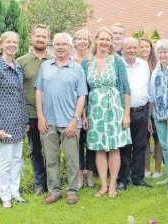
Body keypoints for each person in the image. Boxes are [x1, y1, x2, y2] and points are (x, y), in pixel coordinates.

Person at [36, 33, 87, 205]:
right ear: (53, 46)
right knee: (51, 159)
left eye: (64, 44)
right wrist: (40, 117)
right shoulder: (45, 67)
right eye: (57, 44)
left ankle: (72, 191)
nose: (60, 47)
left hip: (70, 123)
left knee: (72, 159)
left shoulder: (77, 69)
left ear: (70, 47)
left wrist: (75, 119)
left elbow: (81, 96)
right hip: (48, 122)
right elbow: (39, 92)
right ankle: (54, 192)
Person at [81, 27, 132, 198]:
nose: (104, 42)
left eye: (107, 39)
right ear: (96, 40)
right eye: (101, 39)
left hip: (114, 107)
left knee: (114, 147)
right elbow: (83, 92)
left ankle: (113, 185)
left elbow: (125, 89)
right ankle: (103, 185)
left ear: (111, 43)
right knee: (99, 148)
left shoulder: (117, 61)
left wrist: (126, 114)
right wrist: (83, 115)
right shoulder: (86, 63)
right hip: (95, 109)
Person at [0, 31, 29, 208]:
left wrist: (25, 120)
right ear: (1, 45)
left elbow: (21, 95)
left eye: (15, 42)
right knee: (5, 161)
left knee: (17, 159)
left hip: (18, 121)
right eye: (8, 42)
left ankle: (15, 191)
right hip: (3, 122)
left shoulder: (18, 67)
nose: (12, 45)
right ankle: (5, 196)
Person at [16, 24, 53, 196]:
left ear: (48, 39)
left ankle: (54, 181)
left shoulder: (54, 61)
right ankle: (40, 183)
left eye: (44, 36)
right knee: (35, 149)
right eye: (37, 36)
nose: (40, 39)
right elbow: (16, 90)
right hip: (30, 114)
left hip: (52, 113)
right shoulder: (21, 62)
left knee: (52, 149)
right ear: (32, 37)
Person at [117, 38, 153, 190]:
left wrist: (149, 115)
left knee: (140, 145)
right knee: (124, 146)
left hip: (142, 110)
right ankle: (123, 180)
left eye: (134, 47)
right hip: (124, 112)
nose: (132, 50)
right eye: (129, 48)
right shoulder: (117, 64)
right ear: (122, 49)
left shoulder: (143, 64)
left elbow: (148, 88)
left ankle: (138, 178)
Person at [148, 39, 168, 193]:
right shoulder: (155, 71)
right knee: (164, 146)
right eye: (160, 52)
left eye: (165, 51)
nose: (162, 54)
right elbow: (152, 95)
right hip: (158, 114)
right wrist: (150, 116)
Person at [71, 28, 95, 190]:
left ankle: (91, 174)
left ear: (89, 42)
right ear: (74, 42)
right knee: (78, 142)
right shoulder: (70, 60)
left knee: (92, 140)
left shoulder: (93, 60)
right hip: (74, 106)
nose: (82, 41)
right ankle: (79, 175)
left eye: (85, 39)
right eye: (78, 38)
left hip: (93, 105)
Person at [140, 37, 163, 179]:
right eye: (141, 47)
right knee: (144, 139)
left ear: (151, 48)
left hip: (156, 106)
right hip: (143, 106)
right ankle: (146, 168)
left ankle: (158, 169)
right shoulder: (137, 64)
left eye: (146, 47)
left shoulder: (157, 64)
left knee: (158, 138)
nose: (144, 49)